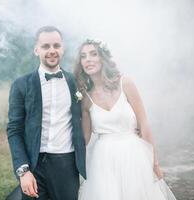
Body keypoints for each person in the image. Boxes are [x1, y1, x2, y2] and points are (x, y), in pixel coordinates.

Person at [74, 39, 177, 200]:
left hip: (133, 154)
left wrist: (154, 163)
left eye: (93, 54)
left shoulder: (125, 84)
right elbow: (84, 139)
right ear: (80, 63)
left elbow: (144, 124)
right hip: (103, 160)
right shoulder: (86, 99)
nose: (88, 59)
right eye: (83, 56)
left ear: (103, 58)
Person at [6, 26, 86, 200]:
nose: (52, 51)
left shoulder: (75, 82)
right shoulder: (21, 85)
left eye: (56, 46)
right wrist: (23, 170)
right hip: (34, 166)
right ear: (36, 50)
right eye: (46, 46)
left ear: (62, 49)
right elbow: (14, 130)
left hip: (67, 164)